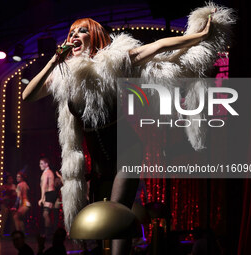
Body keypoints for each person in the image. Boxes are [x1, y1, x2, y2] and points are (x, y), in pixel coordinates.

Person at [22, 3, 235, 254]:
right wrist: (52, 62)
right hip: (98, 159)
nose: (74, 36)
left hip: (127, 149)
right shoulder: (64, 75)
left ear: (95, 36)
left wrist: (198, 36)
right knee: (98, 218)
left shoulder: (113, 62)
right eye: (72, 32)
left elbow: (158, 47)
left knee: (116, 211)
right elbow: (28, 95)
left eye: (82, 31)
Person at [38, 157, 56, 237]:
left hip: (49, 194)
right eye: (40, 163)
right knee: (46, 214)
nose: (40, 165)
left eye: (42, 163)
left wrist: (42, 198)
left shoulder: (46, 173)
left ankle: (48, 233)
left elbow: (44, 186)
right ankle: (49, 232)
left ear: (46, 164)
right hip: (49, 194)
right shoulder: (48, 172)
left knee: (45, 214)